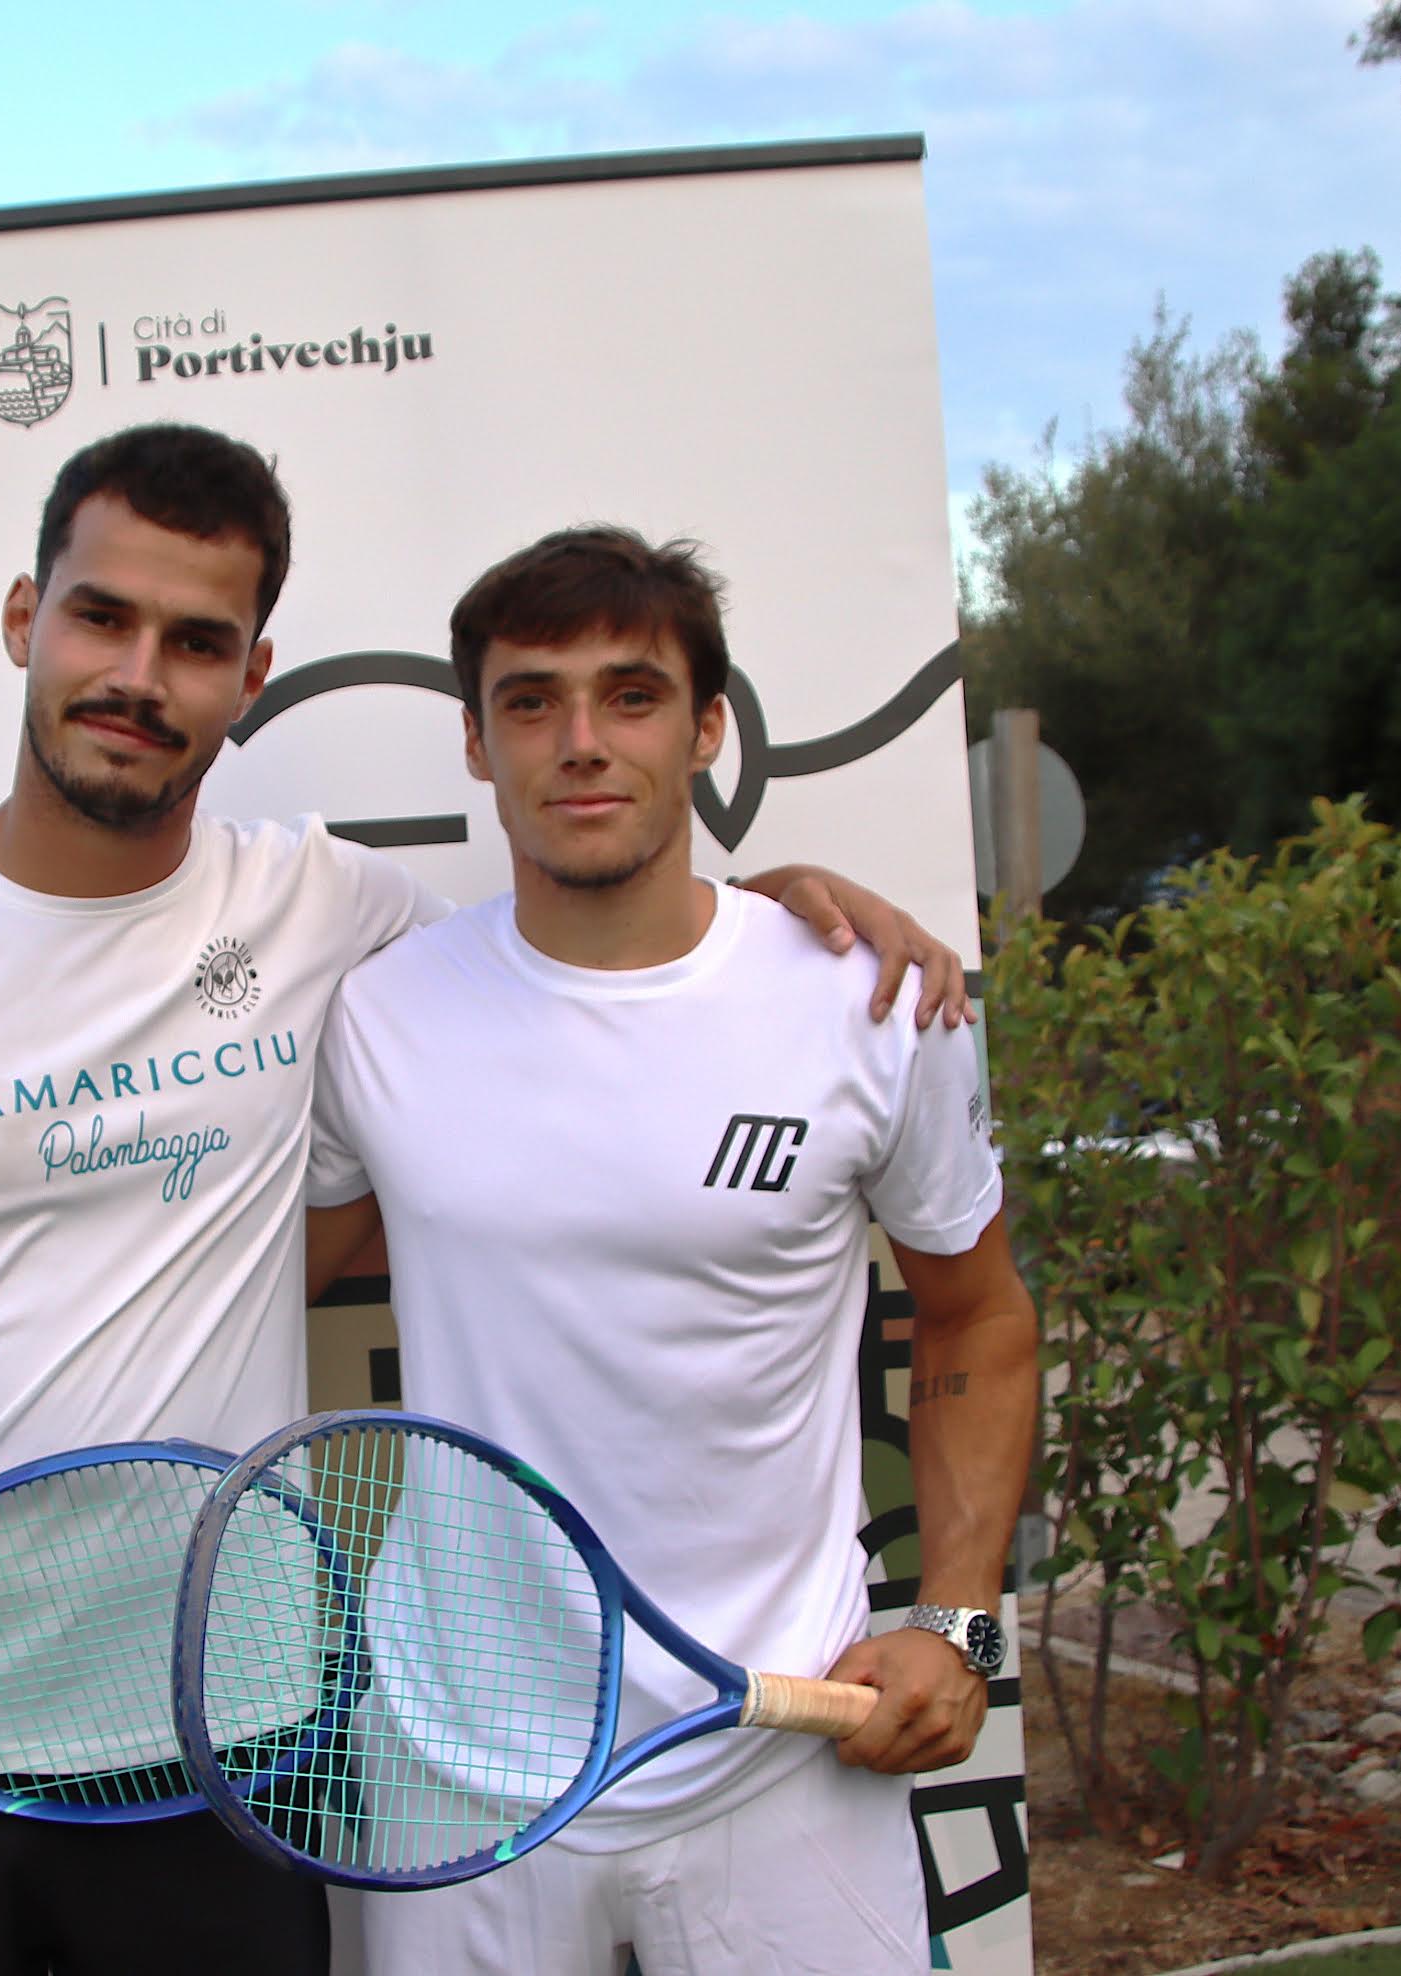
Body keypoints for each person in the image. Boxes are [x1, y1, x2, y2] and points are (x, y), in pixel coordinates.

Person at [0, 424, 974, 1976]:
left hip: (229, 1742)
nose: (139, 676)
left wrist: (778, 928)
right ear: (25, 621)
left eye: (196, 641)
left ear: (251, 674)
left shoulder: (325, 910)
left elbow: (588, 971)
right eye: (104, 618)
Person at [303, 527, 1037, 1976]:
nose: (580, 743)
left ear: (705, 727)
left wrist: (955, 1622)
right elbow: (239, 1291)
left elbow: (975, 1319)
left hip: (784, 1742)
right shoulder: (379, 1013)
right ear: (474, 741)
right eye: (530, 701)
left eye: (629, 695)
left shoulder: (869, 1004)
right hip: (461, 1762)